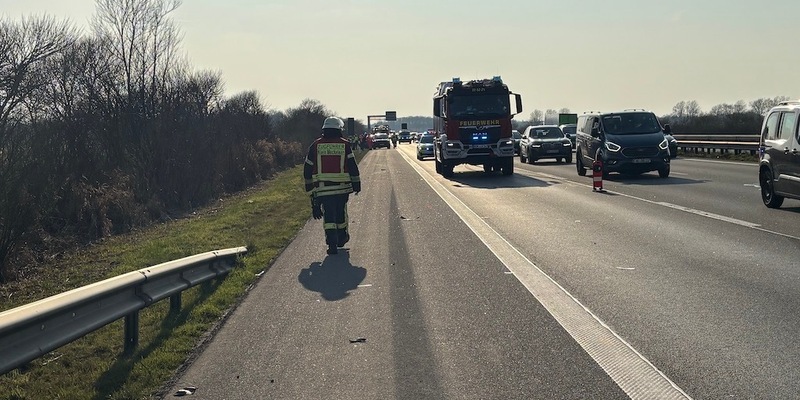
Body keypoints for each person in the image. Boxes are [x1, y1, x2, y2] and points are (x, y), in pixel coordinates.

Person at [304, 117, 361, 255]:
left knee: (328, 216)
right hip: (341, 189)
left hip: (323, 190)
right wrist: (356, 183)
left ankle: (332, 244)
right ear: (339, 130)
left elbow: (307, 169)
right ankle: (341, 237)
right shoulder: (345, 145)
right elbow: (352, 166)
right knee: (340, 213)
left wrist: (311, 193)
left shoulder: (315, 145)